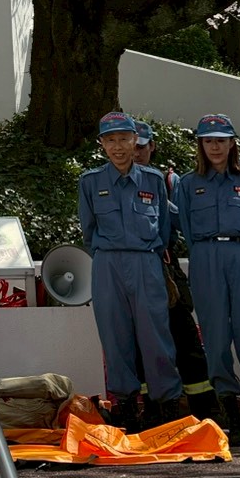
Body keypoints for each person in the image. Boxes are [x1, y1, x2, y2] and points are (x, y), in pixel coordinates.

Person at [174, 114, 240, 446]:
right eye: (208, 140)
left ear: (232, 143)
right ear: (201, 145)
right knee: (216, 340)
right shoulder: (188, 184)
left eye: (221, 139)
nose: (215, 146)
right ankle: (232, 417)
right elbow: (188, 231)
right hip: (205, 258)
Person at [79, 112, 184, 431]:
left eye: (124, 138)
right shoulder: (90, 182)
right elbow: (88, 230)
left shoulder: (153, 180)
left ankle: (165, 405)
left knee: (156, 336)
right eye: (110, 140)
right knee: (115, 336)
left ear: (135, 140)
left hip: (146, 262)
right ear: (102, 145)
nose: (118, 146)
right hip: (108, 264)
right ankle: (125, 408)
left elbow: (165, 229)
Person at [133, 120, 220, 422]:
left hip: (168, 270)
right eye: (131, 146)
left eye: (141, 147)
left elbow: (188, 222)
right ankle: (151, 410)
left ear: (152, 146)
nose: (136, 153)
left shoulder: (170, 181)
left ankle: (205, 409)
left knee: (187, 341)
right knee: (139, 343)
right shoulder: (108, 183)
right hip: (134, 272)